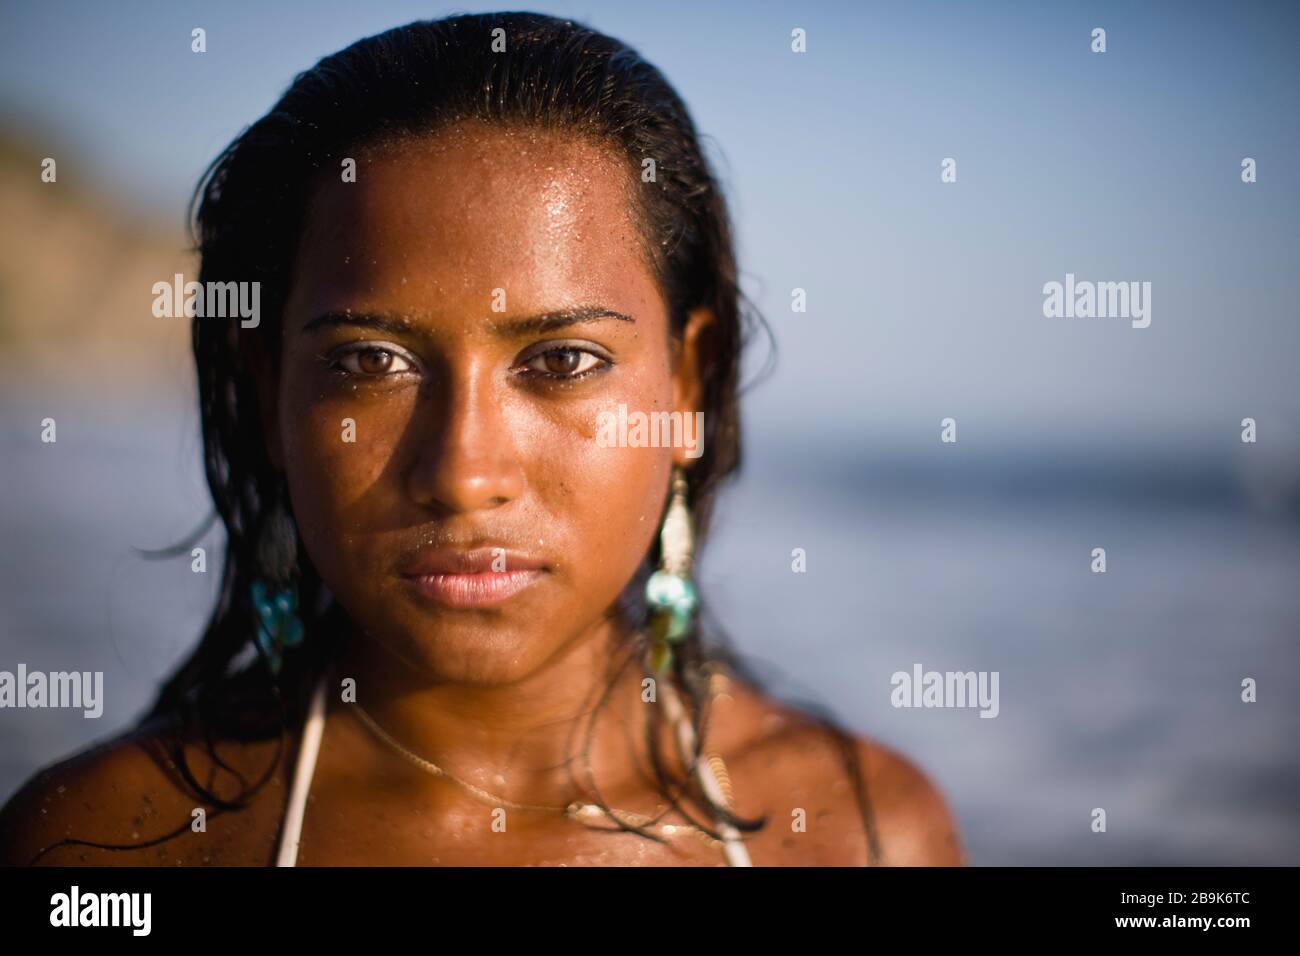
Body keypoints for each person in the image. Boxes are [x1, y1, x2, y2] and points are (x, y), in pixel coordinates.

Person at [0, 11, 963, 867]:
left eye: (563, 360)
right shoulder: (108, 845)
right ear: (268, 392)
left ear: (689, 381)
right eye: (369, 362)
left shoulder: (863, 834)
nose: (462, 473)